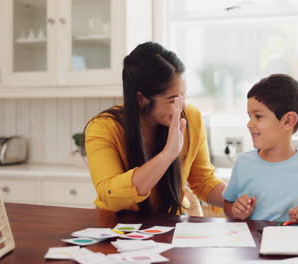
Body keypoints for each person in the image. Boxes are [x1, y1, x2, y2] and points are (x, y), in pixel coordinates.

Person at [83, 42, 226, 215]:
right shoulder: (103, 128)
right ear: (141, 98)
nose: (181, 107)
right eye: (173, 100)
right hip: (117, 224)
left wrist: (236, 200)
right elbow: (110, 195)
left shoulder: (190, 118)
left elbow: (203, 181)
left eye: (184, 96)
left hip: (171, 224)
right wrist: (168, 154)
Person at [222, 74, 298, 224]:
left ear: (288, 121)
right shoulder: (243, 163)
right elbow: (228, 205)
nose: (250, 124)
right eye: (250, 116)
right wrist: (236, 211)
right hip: (252, 246)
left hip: (289, 246)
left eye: (258, 116)